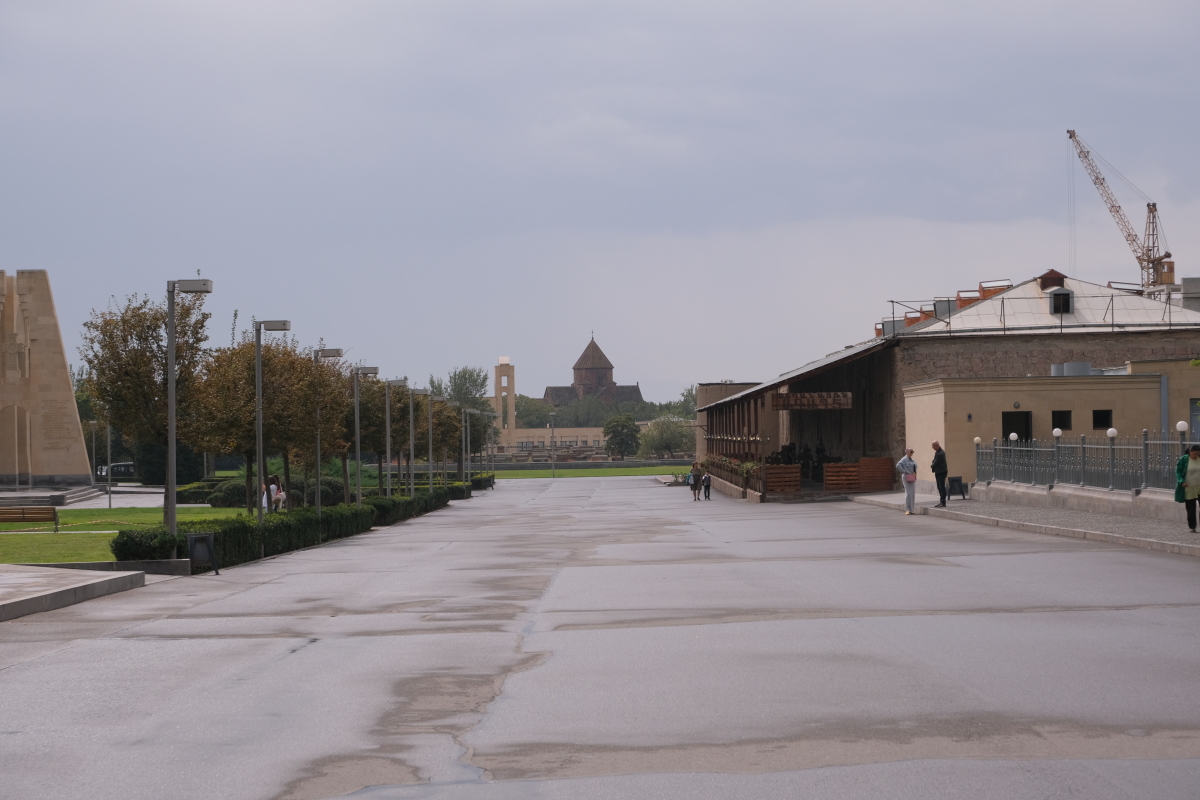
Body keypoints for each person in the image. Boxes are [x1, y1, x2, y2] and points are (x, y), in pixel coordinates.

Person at [1175, 444, 1200, 532]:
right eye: (1195, 454)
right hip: (1189, 488)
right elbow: (1178, 471)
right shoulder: (1184, 459)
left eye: (1198, 454)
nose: (1196, 456)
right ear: (1190, 452)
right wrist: (1182, 481)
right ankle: (1192, 526)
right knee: (1191, 509)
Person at [896, 448, 918, 515]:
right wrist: (904, 471)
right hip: (906, 478)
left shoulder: (912, 460)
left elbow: (916, 467)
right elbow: (898, 465)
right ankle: (908, 509)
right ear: (907, 452)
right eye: (911, 452)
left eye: (912, 452)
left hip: (912, 477)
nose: (912, 453)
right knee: (908, 493)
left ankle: (912, 509)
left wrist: (914, 473)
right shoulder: (904, 459)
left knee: (912, 493)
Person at [931, 441, 948, 508]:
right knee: (939, 487)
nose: (932, 447)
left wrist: (932, 465)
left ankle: (943, 502)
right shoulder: (937, 452)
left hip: (941, 472)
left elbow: (935, 463)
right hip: (938, 472)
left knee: (942, 487)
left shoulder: (941, 453)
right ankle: (941, 501)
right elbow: (934, 461)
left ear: (936, 445)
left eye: (933, 446)